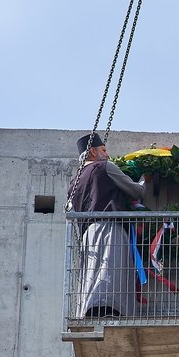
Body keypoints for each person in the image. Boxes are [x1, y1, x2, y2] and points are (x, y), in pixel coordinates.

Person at [68, 132, 150, 318]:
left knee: (92, 273)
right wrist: (144, 182)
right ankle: (110, 312)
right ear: (92, 152)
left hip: (87, 233)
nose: (108, 154)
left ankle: (89, 311)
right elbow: (135, 191)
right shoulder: (104, 167)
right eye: (104, 150)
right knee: (112, 269)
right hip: (109, 227)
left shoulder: (74, 181)